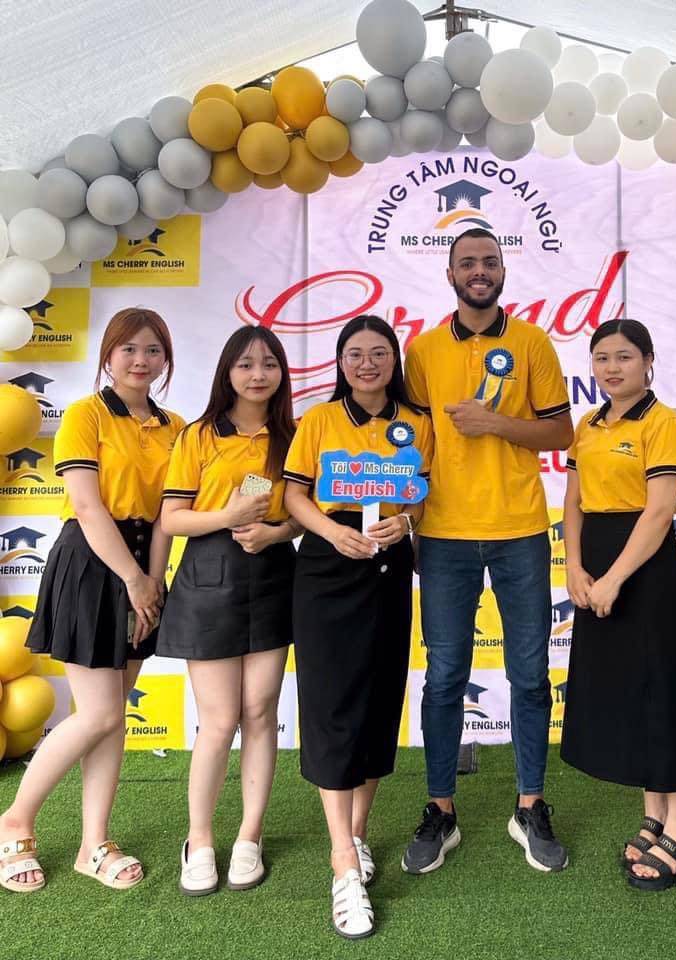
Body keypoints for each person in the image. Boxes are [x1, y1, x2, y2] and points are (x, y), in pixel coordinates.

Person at [401, 228, 574, 876]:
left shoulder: (532, 342)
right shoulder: (422, 350)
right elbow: (409, 443)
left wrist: (495, 423)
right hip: (443, 534)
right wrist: (410, 521)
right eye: (468, 263)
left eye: (490, 262)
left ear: (503, 271)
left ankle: (530, 805)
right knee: (445, 676)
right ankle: (440, 809)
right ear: (449, 274)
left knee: (529, 675)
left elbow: (561, 430)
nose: (480, 271)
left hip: (519, 530)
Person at [0, 308, 182, 893]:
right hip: (90, 562)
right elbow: (86, 505)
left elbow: (166, 515)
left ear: (165, 359)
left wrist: (152, 581)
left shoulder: (175, 426)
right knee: (99, 713)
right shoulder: (85, 414)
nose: (140, 360)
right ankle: (14, 821)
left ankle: (93, 844)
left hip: (143, 565)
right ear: (108, 355)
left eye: (152, 350)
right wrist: (132, 578)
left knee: (112, 718)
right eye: (129, 349)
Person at [283, 314, 432, 939]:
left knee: (376, 702)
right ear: (341, 362)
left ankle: (358, 833)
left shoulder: (418, 421)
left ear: (394, 360)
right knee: (331, 704)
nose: (366, 364)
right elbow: (294, 495)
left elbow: (421, 492)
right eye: (354, 354)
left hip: (389, 568)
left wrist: (408, 523)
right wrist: (329, 531)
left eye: (378, 353)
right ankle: (342, 860)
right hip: (327, 564)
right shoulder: (319, 420)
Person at [560, 318, 676, 890]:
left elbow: (658, 511)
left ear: (648, 361)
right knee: (630, 694)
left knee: (662, 691)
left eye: (624, 356)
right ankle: (654, 816)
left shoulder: (665, 422)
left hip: (645, 570)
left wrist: (614, 579)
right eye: (602, 358)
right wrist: (575, 567)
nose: (612, 368)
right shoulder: (588, 424)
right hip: (596, 562)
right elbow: (573, 502)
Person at [158, 326, 299, 896]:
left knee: (260, 711)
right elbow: (172, 518)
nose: (258, 374)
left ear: (282, 372)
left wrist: (275, 532)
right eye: (245, 364)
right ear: (227, 372)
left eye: (269, 363)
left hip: (273, 575)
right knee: (218, 720)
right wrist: (228, 516)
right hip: (208, 578)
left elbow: (304, 514)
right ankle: (199, 839)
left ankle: (249, 836)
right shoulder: (198, 435)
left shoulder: (293, 437)